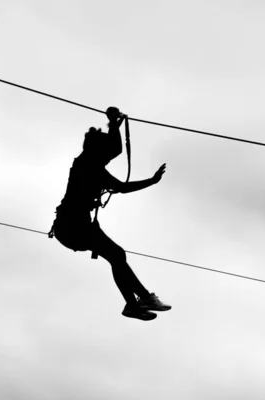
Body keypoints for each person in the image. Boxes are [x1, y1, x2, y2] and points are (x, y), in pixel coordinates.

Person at [51, 106, 171, 321]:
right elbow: (121, 181)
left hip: (73, 226)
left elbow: (114, 150)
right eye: (105, 156)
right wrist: (152, 181)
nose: (109, 159)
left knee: (117, 256)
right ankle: (142, 299)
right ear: (98, 152)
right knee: (117, 255)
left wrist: (113, 124)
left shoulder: (90, 165)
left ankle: (134, 304)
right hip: (72, 226)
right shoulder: (88, 166)